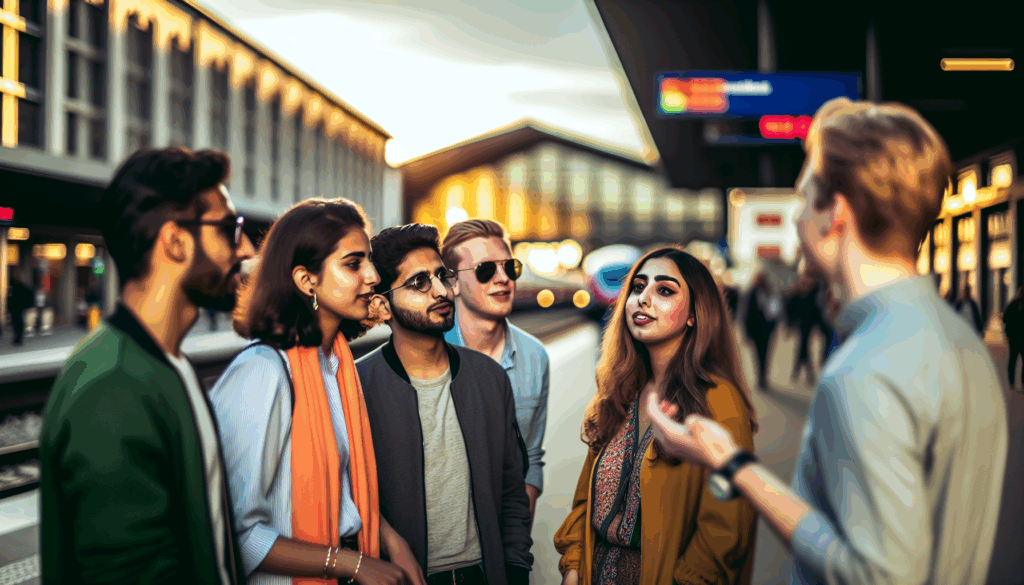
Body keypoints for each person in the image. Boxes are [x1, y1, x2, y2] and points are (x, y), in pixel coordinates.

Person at [645, 98, 1008, 585]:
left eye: (803, 198)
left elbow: (876, 573)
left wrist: (731, 466)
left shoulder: (863, 371)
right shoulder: (964, 342)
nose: (795, 220)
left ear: (834, 212)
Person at [39, 148, 255, 583]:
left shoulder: (167, 362)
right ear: (175, 241)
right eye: (230, 228)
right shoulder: (111, 385)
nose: (246, 247)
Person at [209, 198, 421, 584]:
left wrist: (392, 541)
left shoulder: (335, 365)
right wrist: (352, 564)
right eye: (353, 264)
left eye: (368, 260)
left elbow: (342, 493)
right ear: (307, 281)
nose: (373, 276)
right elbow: (236, 534)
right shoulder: (263, 373)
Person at [554, 247, 759, 585]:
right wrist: (573, 569)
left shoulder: (720, 401)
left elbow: (725, 532)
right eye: (637, 287)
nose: (643, 299)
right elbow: (583, 503)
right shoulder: (618, 394)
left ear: (695, 313)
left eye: (664, 290)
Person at [356, 223, 534, 585]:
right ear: (382, 305)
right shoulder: (357, 386)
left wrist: (515, 570)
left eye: (442, 276)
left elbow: (512, 490)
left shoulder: (489, 378)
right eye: (419, 283)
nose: (441, 291)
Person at [440, 219, 550, 527]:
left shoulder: (535, 357)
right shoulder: (429, 353)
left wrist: (516, 539)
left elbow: (530, 457)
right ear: (452, 283)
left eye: (510, 267)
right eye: (486, 270)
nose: (503, 279)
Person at [744, 273, 781, 391]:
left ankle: (763, 377)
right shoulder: (751, 293)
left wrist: (774, 326)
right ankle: (760, 377)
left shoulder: (770, 292)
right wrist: (747, 332)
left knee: (766, 354)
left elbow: (775, 310)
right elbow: (746, 314)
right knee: (758, 355)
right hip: (755, 330)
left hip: (767, 329)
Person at [1003, 286, 1024, 391]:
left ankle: (1014, 383)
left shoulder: (1013, 304)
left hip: (1017, 338)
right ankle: (1013, 382)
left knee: (1014, 360)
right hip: (1015, 337)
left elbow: (1005, 318)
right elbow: (1005, 318)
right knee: (1013, 360)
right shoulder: (1013, 304)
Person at [7, 273, 33, 345]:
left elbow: (9, 298)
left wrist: (9, 307)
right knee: (19, 322)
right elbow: (30, 295)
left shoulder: (14, 287)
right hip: (19, 307)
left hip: (16, 308)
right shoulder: (22, 287)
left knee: (16, 323)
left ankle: (18, 337)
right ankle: (19, 338)